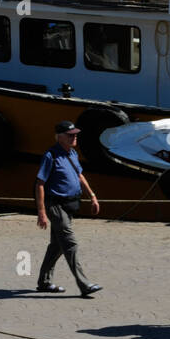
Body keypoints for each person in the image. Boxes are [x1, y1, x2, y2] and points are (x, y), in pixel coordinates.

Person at [34, 120, 102, 297]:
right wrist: (41, 212)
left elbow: (79, 176)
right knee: (70, 243)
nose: (75, 137)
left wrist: (92, 196)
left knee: (57, 245)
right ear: (59, 137)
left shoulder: (72, 154)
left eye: (76, 134)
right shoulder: (51, 156)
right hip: (55, 205)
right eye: (70, 135)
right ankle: (84, 284)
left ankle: (44, 282)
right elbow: (40, 184)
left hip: (70, 204)